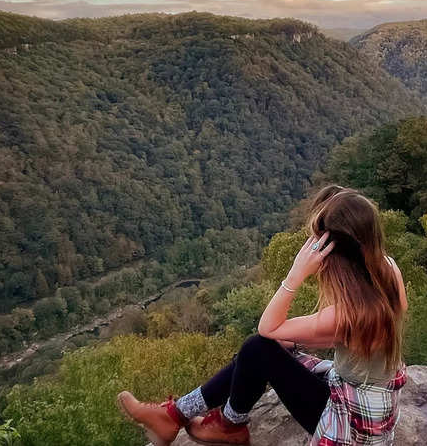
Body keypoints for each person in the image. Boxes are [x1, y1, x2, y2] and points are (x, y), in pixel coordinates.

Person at [117, 185, 409, 445]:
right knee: (269, 349)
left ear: (331, 254)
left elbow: (268, 327)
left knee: (258, 348)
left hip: (351, 426)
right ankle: (179, 415)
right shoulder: (388, 270)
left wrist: (295, 276)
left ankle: (223, 424)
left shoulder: (348, 316)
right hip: (366, 404)